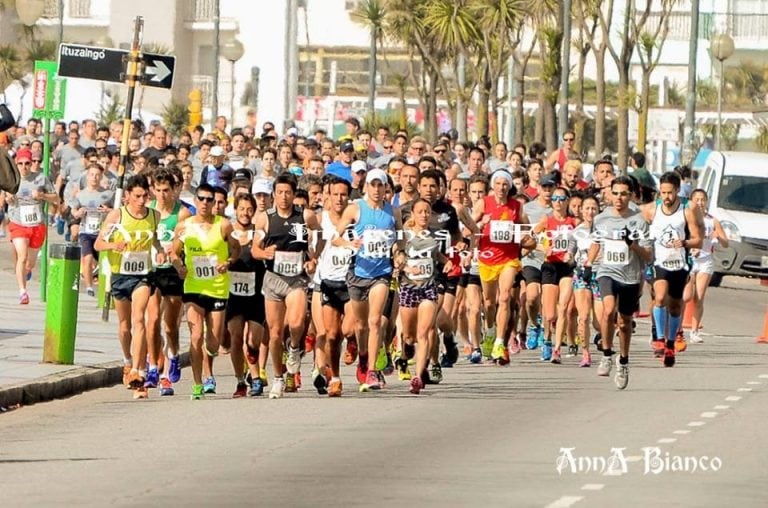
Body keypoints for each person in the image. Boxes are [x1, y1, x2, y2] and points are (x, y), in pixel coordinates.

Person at [334, 169, 404, 392]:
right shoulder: (355, 209)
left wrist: (399, 252)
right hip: (358, 273)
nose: (376, 189)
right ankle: (363, 356)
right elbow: (335, 237)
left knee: (375, 321)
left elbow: (399, 237)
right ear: (366, 187)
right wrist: (348, 244)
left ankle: (373, 370)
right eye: (372, 185)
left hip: (381, 274)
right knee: (360, 324)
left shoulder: (393, 212)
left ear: (386, 188)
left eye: (380, 185)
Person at [251, 173, 320, 399]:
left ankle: (294, 349)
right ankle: (278, 378)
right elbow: (255, 249)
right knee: (275, 333)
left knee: (297, 322)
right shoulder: (265, 218)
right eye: (279, 192)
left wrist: (313, 258)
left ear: (293, 194)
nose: (283, 197)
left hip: (296, 279)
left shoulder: (305, 216)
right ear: (273, 195)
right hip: (273, 278)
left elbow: (319, 238)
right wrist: (264, 252)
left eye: (287, 192)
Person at [95, 175, 164, 399]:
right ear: (127, 197)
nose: (142, 200)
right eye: (137, 196)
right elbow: (98, 243)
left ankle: (138, 371)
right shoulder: (118, 215)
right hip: (120, 274)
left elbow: (155, 240)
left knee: (139, 319)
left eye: (145, 195)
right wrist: (114, 244)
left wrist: (161, 252)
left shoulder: (155, 215)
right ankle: (128, 361)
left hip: (143, 275)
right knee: (125, 326)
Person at [170, 183, 242, 400]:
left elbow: (236, 248)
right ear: (195, 201)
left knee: (213, 342)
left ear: (215, 203)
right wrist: (179, 266)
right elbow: (174, 253)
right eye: (201, 198)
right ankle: (197, 383)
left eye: (209, 199)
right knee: (196, 335)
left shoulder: (224, 225)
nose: (205, 203)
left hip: (217, 289)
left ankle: (208, 359)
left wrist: (228, 262)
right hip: (193, 287)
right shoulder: (184, 226)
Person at [584, 176, 653, 389]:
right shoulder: (602, 218)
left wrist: (632, 245)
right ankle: (606, 353)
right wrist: (588, 262)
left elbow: (648, 255)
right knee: (608, 309)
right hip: (607, 271)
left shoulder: (640, 220)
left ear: (631, 195)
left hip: (630, 276)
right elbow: (596, 242)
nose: (619, 198)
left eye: (624, 194)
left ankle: (623, 361)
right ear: (609, 194)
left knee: (623, 323)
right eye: (615, 193)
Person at [642, 171, 703, 366]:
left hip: (679, 263)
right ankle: (659, 338)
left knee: (675, 306)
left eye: (669, 193)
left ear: (677, 190)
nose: (666, 197)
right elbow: (636, 223)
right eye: (662, 192)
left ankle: (670, 343)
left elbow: (698, 240)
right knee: (659, 297)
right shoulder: (652, 210)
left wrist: (684, 243)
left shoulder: (687, 209)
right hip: (659, 262)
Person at [471, 170, 533, 363]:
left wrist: (525, 239)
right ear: (492, 185)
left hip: (509, 259)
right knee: (489, 303)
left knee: (505, 297)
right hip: (487, 258)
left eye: (505, 184)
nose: (501, 188)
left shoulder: (517, 206)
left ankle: (499, 342)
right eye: (497, 184)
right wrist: (481, 222)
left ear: (509, 186)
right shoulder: (484, 203)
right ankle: (490, 331)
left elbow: (528, 230)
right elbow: (468, 228)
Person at [396, 199, 453, 394]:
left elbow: (437, 255)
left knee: (425, 331)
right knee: (410, 336)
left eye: (427, 212)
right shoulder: (404, 236)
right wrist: (404, 265)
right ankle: (405, 349)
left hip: (429, 287)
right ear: (412, 213)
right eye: (420, 211)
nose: (424, 215)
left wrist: (447, 262)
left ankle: (418, 376)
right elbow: (396, 257)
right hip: (409, 287)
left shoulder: (436, 235)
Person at [146, 169, 191, 395]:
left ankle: (173, 354)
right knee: (152, 320)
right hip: (152, 270)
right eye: (159, 190)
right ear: (153, 189)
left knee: (170, 325)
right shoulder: (149, 211)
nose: (162, 195)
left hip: (172, 271)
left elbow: (177, 241)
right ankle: (155, 366)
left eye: (167, 190)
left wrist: (171, 252)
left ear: (174, 190)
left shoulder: (182, 213)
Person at [4, 148, 58, 304]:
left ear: (32, 163)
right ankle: (22, 292)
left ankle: (27, 271)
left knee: (30, 262)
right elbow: (5, 196)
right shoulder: (11, 179)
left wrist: (42, 195)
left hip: (37, 224)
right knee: (22, 256)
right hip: (18, 223)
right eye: (20, 163)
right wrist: (8, 198)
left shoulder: (41, 178)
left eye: (27, 163)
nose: (24, 167)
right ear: (16, 164)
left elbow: (56, 198)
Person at [225, 194, 266, 397]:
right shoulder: (228, 232)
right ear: (235, 209)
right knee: (236, 337)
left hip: (256, 295)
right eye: (242, 209)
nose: (245, 213)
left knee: (253, 342)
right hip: (233, 295)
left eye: (250, 209)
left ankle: (255, 374)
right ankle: (243, 380)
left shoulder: (259, 234)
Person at [532, 186, 578, 364]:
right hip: (550, 266)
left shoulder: (573, 222)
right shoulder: (546, 220)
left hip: (566, 267)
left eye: (561, 198)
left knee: (564, 307)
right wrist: (544, 247)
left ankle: (557, 349)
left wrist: (573, 254)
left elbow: (582, 241)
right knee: (550, 314)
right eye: (555, 199)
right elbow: (530, 238)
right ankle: (547, 339)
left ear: (567, 201)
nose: (558, 202)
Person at [684, 189, 728, 344]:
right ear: (691, 201)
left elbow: (725, 242)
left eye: (703, 199)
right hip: (689, 259)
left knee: (699, 297)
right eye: (697, 199)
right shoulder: (686, 218)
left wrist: (718, 236)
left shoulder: (712, 221)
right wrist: (690, 248)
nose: (700, 202)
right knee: (686, 296)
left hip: (705, 260)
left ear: (707, 201)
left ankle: (694, 331)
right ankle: (677, 329)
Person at [68, 164, 114, 297]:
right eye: (92, 174)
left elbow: (118, 210)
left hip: (103, 232)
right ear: (87, 176)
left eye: (97, 175)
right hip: (86, 232)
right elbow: (74, 211)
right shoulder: (81, 195)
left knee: (104, 261)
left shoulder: (108, 194)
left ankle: (105, 285)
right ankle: (89, 286)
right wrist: (78, 213)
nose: (94, 177)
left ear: (101, 177)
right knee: (87, 258)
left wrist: (108, 210)